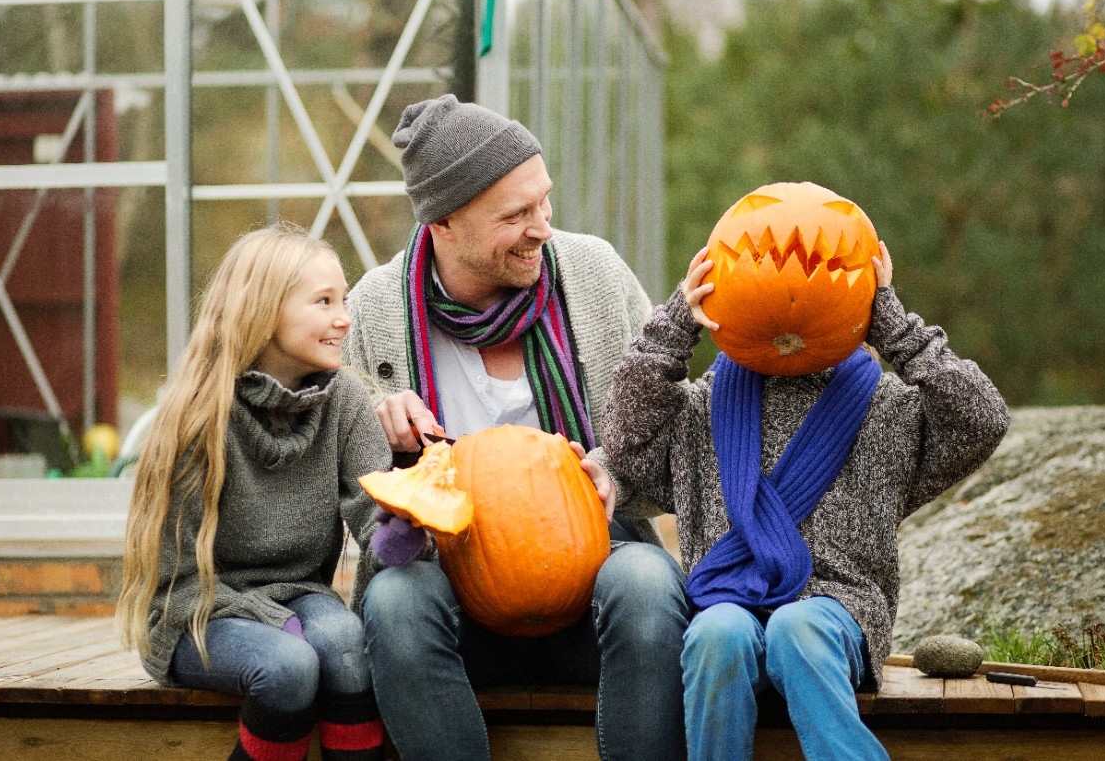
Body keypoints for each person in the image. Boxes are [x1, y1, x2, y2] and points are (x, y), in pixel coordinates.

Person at [341, 94, 690, 761]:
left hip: (590, 582)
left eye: (544, 202)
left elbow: (669, 438)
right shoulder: (375, 313)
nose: (543, 228)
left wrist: (613, 474)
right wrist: (395, 464)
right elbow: (368, 526)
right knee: (393, 603)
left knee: (646, 581)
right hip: (456, 597)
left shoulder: (594, 277)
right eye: (516, 214)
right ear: (444, 223)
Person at [600, 241, 1011, 760]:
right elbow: (625, 437)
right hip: (727, 602)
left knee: (799, 627)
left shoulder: (886, 412)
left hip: (837, 611)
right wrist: (677, 324)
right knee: (714, 634)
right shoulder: (701, 410)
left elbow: (983, 419)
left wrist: (893, 326)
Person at [116, 222, 391, 761]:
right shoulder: (199, 415)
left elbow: (374, 517)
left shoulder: (346, 403)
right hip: (197, 612)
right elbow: (178, 580)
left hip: (302, 596)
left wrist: (403, 531)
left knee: (348, 650)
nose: (345, 318)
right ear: (265, 312)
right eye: (324, 301)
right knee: (289, 667)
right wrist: (279, 626)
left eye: (344, 299)